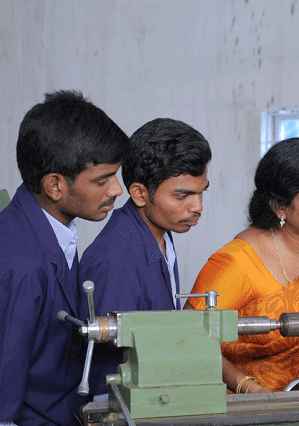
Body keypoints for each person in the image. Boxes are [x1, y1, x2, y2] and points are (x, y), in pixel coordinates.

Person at [0, 90, 128, 426]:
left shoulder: (54, 232)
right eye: (102, 180)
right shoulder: (19, 267)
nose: (116, 191)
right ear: (55, 185)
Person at [187, 137, 299, 394]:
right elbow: (187, 335)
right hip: (251, 408)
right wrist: (246, 386)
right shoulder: (238, 261)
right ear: (279, 207)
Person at [79, 118, 211, 398]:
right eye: (182, 195)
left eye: (201, 192)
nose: (197, 206)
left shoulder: (160, 232)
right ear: (140, 193)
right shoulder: (116, 261)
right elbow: (106, 377)